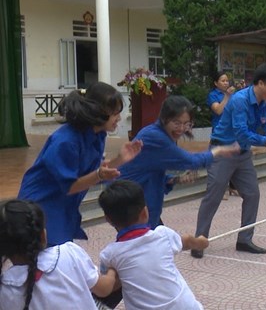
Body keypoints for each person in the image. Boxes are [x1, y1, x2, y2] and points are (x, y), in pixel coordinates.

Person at [193, 63, 266, 257]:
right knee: (213, 196)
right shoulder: (240, 100)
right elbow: (241, 132)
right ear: (261, 83)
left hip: (243, 154)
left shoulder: (264, 103)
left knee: (252, 194)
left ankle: (245, 239)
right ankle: (199, 241)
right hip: (223, 150)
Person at [18, 82, 143, 246]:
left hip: (62, 205)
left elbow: (93, 173)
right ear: (98, 112)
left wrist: (120, 159)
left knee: (59, 258)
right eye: (114, 113)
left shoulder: (98, 135)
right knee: (47, 258)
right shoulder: (65, 141)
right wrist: (99, 174)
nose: (119, 118)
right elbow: (70, 185)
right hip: (40, 205)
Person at [117, 95, 239, 229]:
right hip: (131, 206)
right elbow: (191, 161)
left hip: (142, 204)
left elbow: (150, 169)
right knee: (147, 247)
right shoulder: (155, 137)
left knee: (158, 244)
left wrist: (173, 180)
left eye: (186, 124)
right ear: (164, 118)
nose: (181, 129)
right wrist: (218, 150)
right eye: (176, 123)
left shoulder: (160, 134)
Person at [98, 180, 208, 310]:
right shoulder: (163, 235)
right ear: (145, 213)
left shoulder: (109, 254)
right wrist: (202, 242)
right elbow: (188, 241)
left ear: (108, 219)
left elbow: (110, 287)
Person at [0, 200, 117, 310]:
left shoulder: (4, 289)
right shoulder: (69, 253)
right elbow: (104, 289)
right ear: (43, 236)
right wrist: (112, 270)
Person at [207, 71, 238, 198]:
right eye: (222, 81)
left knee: (234, 159)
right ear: (216, 83)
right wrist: (227, 96)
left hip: (232, 131)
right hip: (219, 133)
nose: (226, 83)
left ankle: (233, 187)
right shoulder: (213, 95)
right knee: (219, 162)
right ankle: (222, 189)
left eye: (227, 80)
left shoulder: (234, 94)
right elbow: (218, 110)